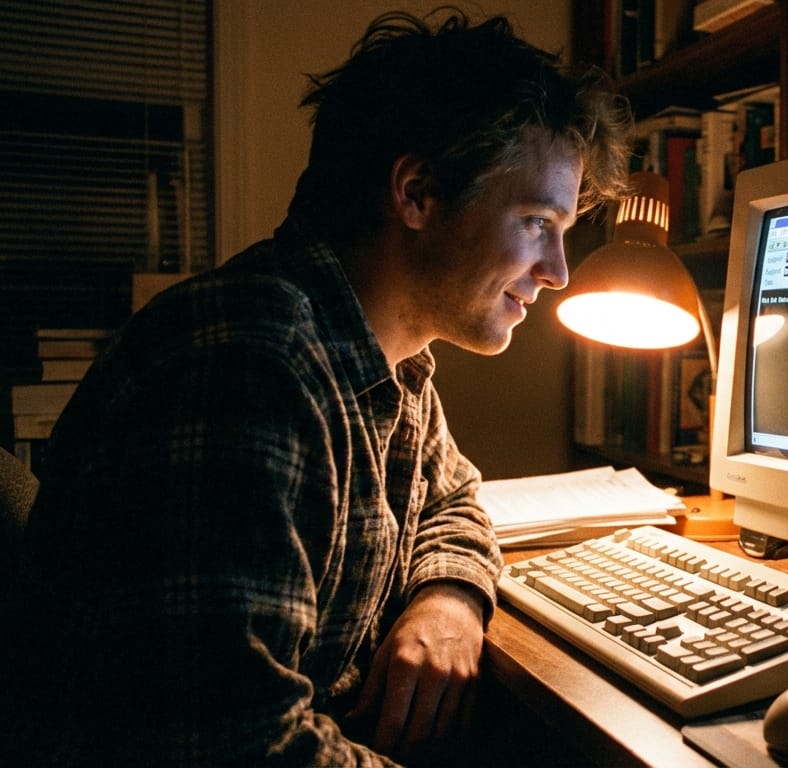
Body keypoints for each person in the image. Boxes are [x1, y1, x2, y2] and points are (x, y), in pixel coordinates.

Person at [0, 9, 632, 766]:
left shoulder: (382, 358)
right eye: (536, 221)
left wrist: (450, 598)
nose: (558, 272)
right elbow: (236, 750)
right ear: (419, 194)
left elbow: (454, 499)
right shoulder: (248, 371)